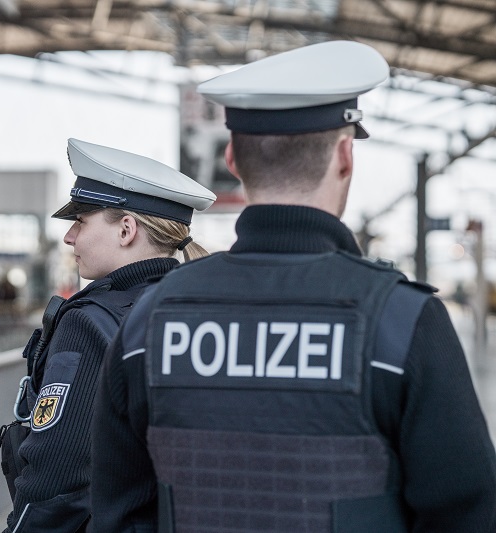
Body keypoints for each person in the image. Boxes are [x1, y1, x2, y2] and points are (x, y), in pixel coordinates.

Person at [90, 41, 496, 532]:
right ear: (345, 156)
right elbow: (468, 513)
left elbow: (116, 512)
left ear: (233, 158)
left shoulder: (148, 321)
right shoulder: (401, 322)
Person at [0, 137, 215, 533]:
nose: (70, 237)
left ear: (126, 229)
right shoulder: (201, 310)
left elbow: (54, 481)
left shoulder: (90, 324)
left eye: (81, 221)